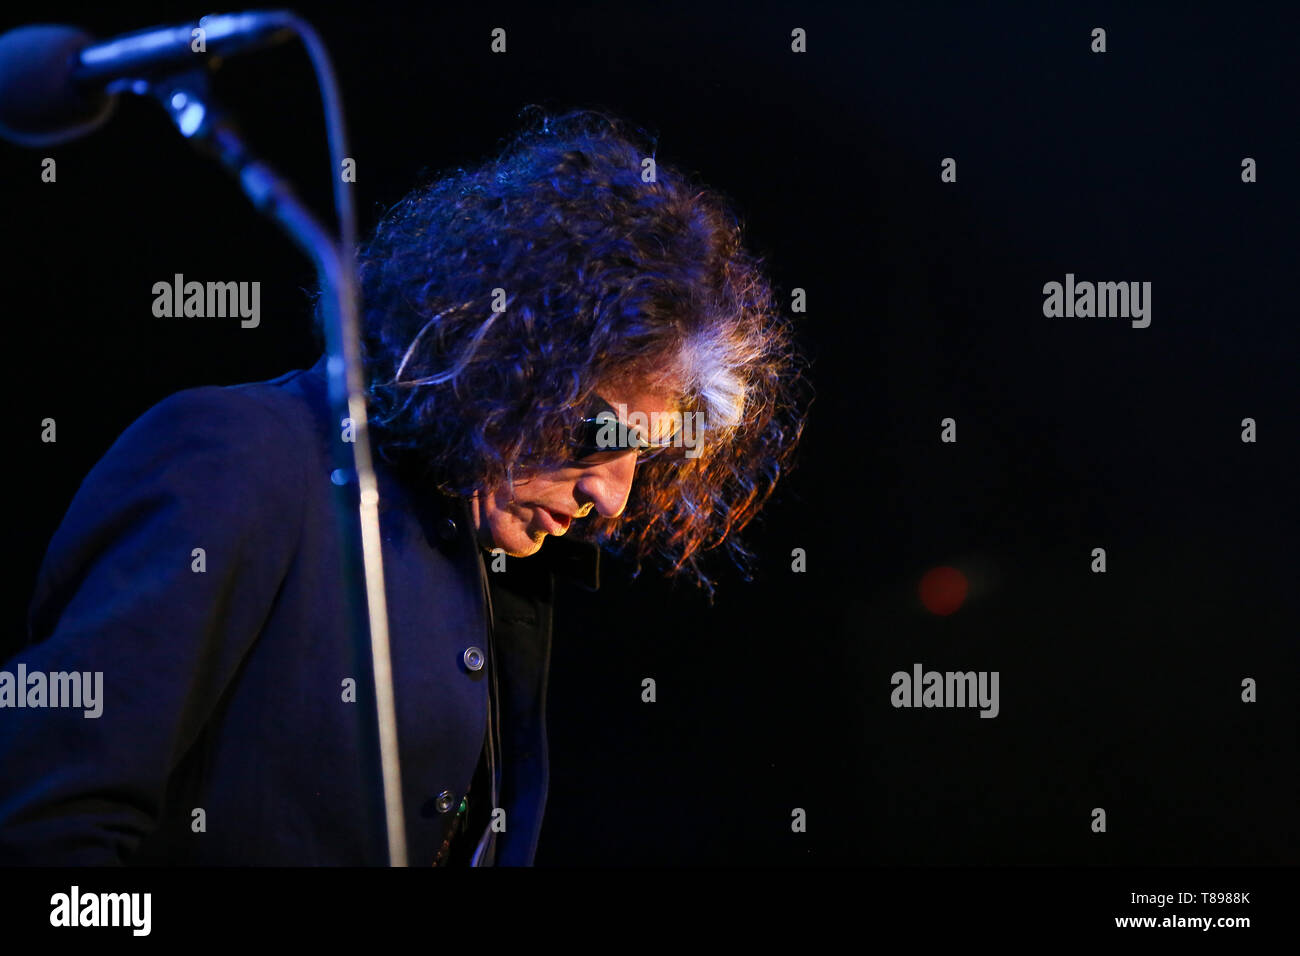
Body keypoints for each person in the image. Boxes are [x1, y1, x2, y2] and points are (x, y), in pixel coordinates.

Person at [0, 107, 808, 865]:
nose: (616, 497)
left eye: (650, 455)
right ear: (503, 356)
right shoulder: (240, 455)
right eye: (605, 435)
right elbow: (47, 827)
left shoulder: (495, 565)